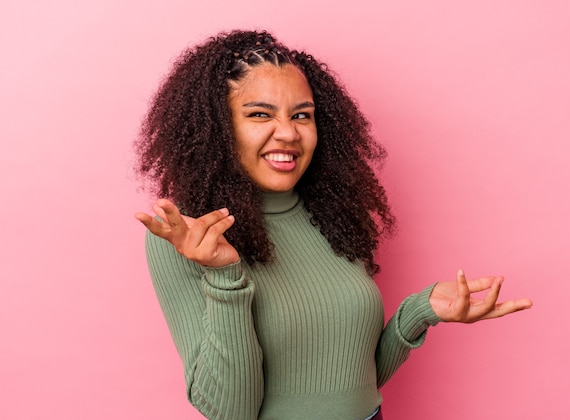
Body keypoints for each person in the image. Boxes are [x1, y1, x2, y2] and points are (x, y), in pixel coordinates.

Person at [134, 29, 532, 420]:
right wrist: (223, 276)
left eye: (302, 116)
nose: (288, 133)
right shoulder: (190, 232)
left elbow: (356, 382)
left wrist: (418, 311)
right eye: (259, 114)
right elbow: (231, 412)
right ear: (216, 127)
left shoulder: (333, 212)